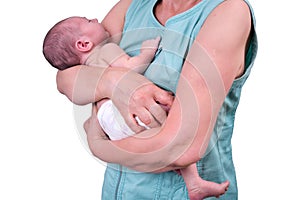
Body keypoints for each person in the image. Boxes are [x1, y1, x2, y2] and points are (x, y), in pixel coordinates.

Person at [56, 0, 258, 199]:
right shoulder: (132, 5)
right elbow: (66, 78)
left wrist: (98, 145)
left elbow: (180, 148)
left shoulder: (228, 12)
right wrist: (113, 82)